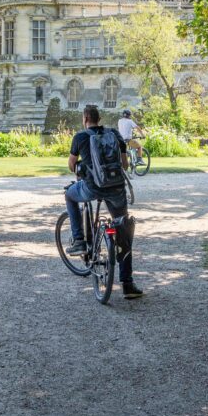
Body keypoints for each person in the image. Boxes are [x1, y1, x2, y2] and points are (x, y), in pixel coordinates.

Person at [66, 105, 143, 299]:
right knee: (123, 229)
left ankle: (80, 241)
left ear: (85, 119)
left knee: (69, 195)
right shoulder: (114, 134)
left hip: (92, 187)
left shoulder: (80, 137)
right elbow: (125, 165)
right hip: (116, 188)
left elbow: (71, 166)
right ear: (99, 119)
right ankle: (128, 284)